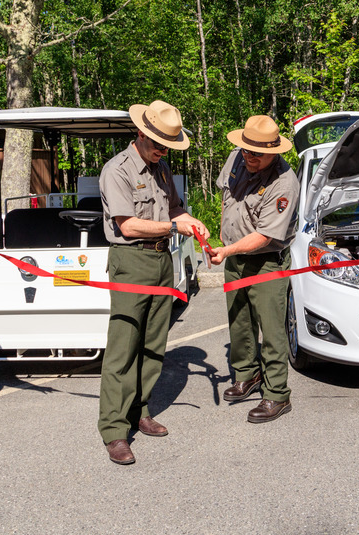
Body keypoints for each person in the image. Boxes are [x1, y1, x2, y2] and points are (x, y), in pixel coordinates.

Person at [97, 100, 210, 465]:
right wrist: (176, 226)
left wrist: (193, 221)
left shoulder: (161, 169)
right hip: (131, 260)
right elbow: (127, 225)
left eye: (168, 145)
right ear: (142, 134)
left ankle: (140, 412)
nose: (163, 150)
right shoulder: (118, 170)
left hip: (163, 259)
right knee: (123, 346)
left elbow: (174, 209)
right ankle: (115, 430)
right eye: (159, 143)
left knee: (153, 344)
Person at [210, 115, 299, 423]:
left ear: (274, 153)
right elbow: (226, 197)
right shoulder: (238, 157)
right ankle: (247, 375)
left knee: (272, 329)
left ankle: (277, 395)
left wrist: (227, 250)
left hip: (266, 261)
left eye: (257, 154)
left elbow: (266, 235)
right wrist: (225, 241)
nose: (248, 156)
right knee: (239, 321)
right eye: (246, 149)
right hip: (234, 257)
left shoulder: (284, 182)